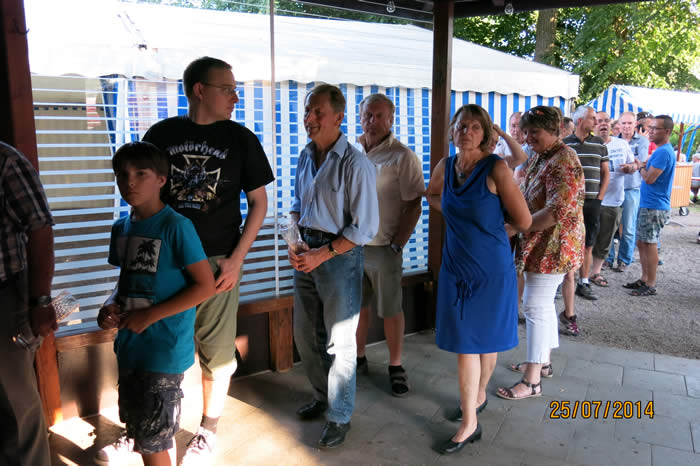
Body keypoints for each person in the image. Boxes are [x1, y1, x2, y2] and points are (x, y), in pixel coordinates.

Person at [138, 56, 274, 462]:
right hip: (167, 258)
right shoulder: (161, 134)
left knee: (216, 350)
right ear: (200, 90)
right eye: (227, 88)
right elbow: (141, 195)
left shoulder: (241, 138)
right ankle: (150, 425)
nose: (235, 97)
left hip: (217, 260)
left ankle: (208, 429)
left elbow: (259, 203)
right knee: (160, 343)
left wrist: (236, 259)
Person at [96, 142, 216, 466]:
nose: (130, 182)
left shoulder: (176, 226)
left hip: (163, 349)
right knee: (142, 429)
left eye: (141, 174)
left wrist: (151, 315)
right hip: (130, 346)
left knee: (153, 443)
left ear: (162, 179)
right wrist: (109, 305)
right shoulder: (121, 228)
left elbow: (205, 285)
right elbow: (126, 280)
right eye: (122, 175)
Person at [426, 104, 531, 455]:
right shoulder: (445, 166)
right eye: (461, 125)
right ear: (452, 130)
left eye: (474, 126)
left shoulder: (496, 167)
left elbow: (524, 221)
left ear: (486, 133)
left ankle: (471, 415)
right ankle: (473, 408)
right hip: (456, 267)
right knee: (467, 343)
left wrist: (495, 229)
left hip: (491, 269)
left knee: (484, 341)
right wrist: (455, 214)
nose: (466, 131)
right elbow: (433, 194)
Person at [289, 84, 379, 448]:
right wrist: (295, 240)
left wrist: (321, 254)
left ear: (339, 117)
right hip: (306, 252)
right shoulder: (305, 155)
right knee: (304, 334)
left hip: (339, 257)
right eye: (307, 111)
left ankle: (340, 415)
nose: (309, 118)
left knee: (339, 342)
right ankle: (322, 396)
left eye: (317, 112)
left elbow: (365, 228)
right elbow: (297, 205)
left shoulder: (356, 163)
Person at [497, 106, 585, 401]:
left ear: (555, 131)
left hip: (554, 245)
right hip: (541, 242)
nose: (528, 137)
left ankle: (532, 380)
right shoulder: (542, 155)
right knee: (542, 305)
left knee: (534, 305)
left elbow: (556, 211)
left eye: (535, 132)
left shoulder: (564, 160)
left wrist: (518, 227)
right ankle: (542, 363)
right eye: (526, 131)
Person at [354, 93, 425, 397]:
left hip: (384, 247)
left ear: (391, 119)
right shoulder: (352, 150)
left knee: (391, 309)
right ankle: (358, 358)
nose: (372, 121)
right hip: (352, 244)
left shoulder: (402, 156)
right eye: (368, 115)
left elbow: (414, 205)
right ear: (360, 117)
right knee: (356, 308)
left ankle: (396, 365)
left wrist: (397, 245)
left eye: (379, 115)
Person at [0, 141, 56, 466]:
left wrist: (41, 301)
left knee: (16, 400)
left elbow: (40, 229)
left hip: (5, 295)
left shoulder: (6, 162)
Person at [559, 106, 609, 336]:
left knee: (588, 243)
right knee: (567, 243)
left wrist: (599, 198)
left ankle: (584, 281)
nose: (596, 122)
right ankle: (564, 281)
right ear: (580, 120)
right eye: (592, 118)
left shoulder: (600, 144)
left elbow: (606, 173)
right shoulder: (565, 143)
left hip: (591, 201)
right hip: (570, 203)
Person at [624, 115, 676, 296]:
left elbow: (649, 178)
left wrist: (640, 167)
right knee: (642, 242)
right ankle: (644, 278)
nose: (650, 131)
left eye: (655, 128)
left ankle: (650, 283)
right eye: (650, 127)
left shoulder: (663, 152)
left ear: (667, 131)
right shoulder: (663, 150)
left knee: (650, 243)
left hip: (655, 205)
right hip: (649, 203)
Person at [588, 112, 636, 288]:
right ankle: (580, 273)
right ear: (593, 125)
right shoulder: (588, 145)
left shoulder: (621, 144)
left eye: (606, 121)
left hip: (613, 201)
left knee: (605, 239)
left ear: (611, 124)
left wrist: (631, 167)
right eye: (599, 121)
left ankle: (595, 272)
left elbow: (635, 164)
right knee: (586, 238)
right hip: (590, 200)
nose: (603, 124)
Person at [606, 111, 649, 272]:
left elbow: (641, 161)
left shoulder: (642, 141)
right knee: (609, 226)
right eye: (623, 123)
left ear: (635, 124)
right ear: (619, 125)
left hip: (631, 188)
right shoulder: (613, 140)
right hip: (613, 188)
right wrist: (632, 164)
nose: (626, 126)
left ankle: (624, 260)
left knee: (629, 228)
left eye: (629, 123)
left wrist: (633, 165)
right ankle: (607, 258)